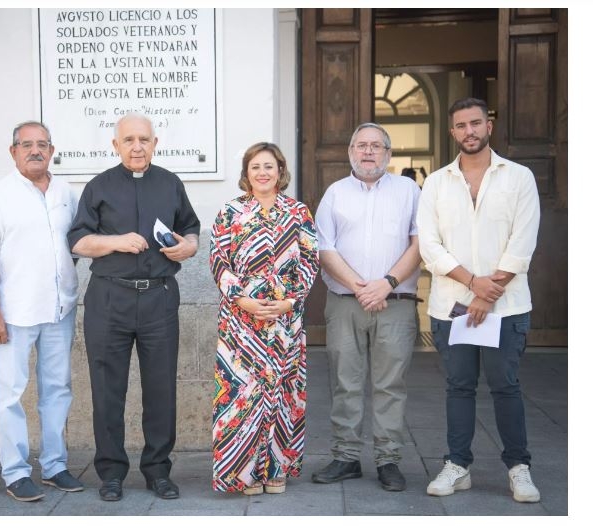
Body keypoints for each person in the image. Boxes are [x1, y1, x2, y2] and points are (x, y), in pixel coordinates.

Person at [67, 113, 201, 502]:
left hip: (159, 297)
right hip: (110, 298)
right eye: (129, 140)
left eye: (144, 139)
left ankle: (158, 470)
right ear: (116, 145)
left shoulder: (170, 183)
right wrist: (116, 241)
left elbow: (190, 228)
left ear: (155, 143)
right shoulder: (98, 186)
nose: (137, 146)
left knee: (160, 388)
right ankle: (110, 472)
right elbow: (77, 240)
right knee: (107, 389)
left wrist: (188, 246)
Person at [417, 97, 541, 503]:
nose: (469, 131)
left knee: (506, 387)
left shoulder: (519, 177)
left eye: (475, 123)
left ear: (488, 125)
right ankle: (458, 465)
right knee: (459, 387)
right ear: (452, 132)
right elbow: (430, 246)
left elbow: (522, 241)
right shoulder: (436, 183)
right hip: (452, 305)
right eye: (460, 125)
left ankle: (518, 468)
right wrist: (473, 284)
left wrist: (489, 293)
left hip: (505, 306)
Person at [0, 121, 83, 502]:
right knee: (9, 394)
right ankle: (16, 472)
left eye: (42, 144)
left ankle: (54, 466)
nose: (35, 151)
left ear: (52, 150)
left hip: (60, 310)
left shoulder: (67, 192)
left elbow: (77, 243)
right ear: (13, 151)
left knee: (57, 390)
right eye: (26, 145)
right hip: (14, 313)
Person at [312, 123, 422, 492]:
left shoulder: (409, 191)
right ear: (350, 152)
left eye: (377, 146)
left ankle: (388, 460)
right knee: (345, 382)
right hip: (346, 302)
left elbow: (421, 243)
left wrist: (385, 284)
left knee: (391, 384)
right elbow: (323, 246)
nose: (369, 151)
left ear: (389, 154)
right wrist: (359, 286)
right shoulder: (335, 193)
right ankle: (346, 457)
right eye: (362, 146)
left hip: (396, 303)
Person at [209, 142, 319, 496]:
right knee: (243, 394)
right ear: (246, 173)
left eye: (268, 166)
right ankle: (242, 474)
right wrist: (244, 301)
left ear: (280, 170)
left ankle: (276, 468)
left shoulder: (298, 212)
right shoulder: (230, 212)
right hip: (241, 321)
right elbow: (218, 261)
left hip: (285, 320)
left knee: (283, 392)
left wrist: (289, 301)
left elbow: (310, 259)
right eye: (255, 166)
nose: (262, 173)